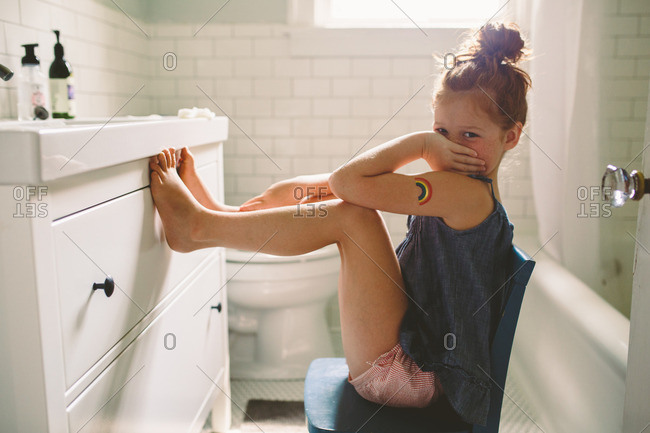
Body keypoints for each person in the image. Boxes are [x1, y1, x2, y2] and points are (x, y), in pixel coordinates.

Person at [149, 21, 531, 426]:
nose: (450, 146)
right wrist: (289, 194)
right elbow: (338, 185)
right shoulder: (457, 188)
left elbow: (346, 183)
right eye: (441, 131)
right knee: (339, 200)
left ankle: (200, 228)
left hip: (413, 378)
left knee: (350, 214)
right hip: (412, 353)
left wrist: (420, 143)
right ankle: (222, 216)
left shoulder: (466, 194)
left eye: (469, 134)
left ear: (511, 136)